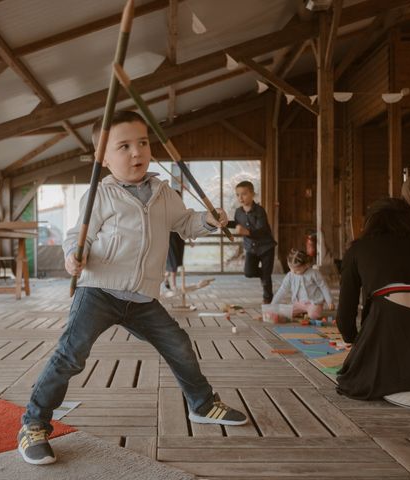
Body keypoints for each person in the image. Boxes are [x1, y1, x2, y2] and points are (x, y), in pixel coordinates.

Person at [18, 110, 247, 465]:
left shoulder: (162, 192)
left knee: (179, 345)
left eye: (142, 143)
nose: (136, 152)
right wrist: (71, 258)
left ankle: (201, 404)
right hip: (98, 291)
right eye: (123, 146)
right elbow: (76, 237)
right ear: (103, 159)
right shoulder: (100, 195)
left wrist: (208, 220)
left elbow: (185, 223)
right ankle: (34, 423)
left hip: (141, 297)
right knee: (70, 356)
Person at [336, 198, 410, 408]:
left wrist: (354, 341)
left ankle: (397, 384)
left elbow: (345, 315)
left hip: (386, 331)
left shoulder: (359, 249)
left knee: (359, 374)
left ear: (372, 222)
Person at [228, 180, 277, 304]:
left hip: (266, 247)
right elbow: (236, 224)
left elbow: (262, 230)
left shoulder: (260, 211)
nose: (241, 197)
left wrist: (246, 232)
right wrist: (224, 223)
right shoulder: (238, 212)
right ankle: (265, 275)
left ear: (252, 194)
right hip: (251, 248)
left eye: (244, 194)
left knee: (266, 278)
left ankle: (268, 299)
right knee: (249, 272)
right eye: (238, 194)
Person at [271, 249, 334, 319]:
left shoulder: (314, 273)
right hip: (298, 303)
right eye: (291, 269)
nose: (293, 272)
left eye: (297, 270)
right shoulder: (290, 275)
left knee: (313, 315)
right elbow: (282, 289)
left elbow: (323, 286)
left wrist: (329, 301)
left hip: (314, 303)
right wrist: (273, 304)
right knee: (285, 312)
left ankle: (306, 313)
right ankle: (302, 312)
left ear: (306, 265)